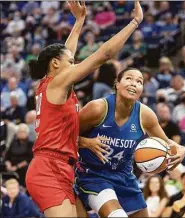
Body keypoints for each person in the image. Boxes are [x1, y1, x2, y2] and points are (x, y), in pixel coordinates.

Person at [26, 1, 144, 217]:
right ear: (55, 63)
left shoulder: (52, 82)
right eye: (71, 62)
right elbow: (104, 55)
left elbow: (67, 51)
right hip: (49, 169)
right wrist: (134, 22)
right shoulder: (58, 82)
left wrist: (79, 21)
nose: (74, 63)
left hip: (62, 168)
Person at [75, 68, 185, 217]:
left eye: (139, 81)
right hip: (94, 175)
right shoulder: (97, 108)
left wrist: (181, 149)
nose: (134, 84)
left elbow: (167, 143)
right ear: (117, 83)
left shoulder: (145, 115)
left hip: (124, 176)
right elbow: (63, 136)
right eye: (129, 78)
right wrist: (87, 142)